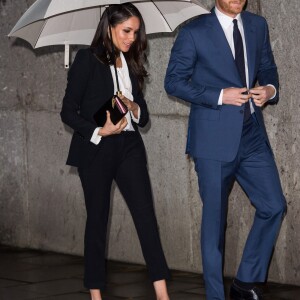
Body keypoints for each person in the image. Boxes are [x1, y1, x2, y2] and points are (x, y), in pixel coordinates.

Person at [164, 0, 286, 299]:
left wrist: (269, 90)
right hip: (212, 140)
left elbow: (268, 67)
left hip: (252, 134)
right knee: (215, 224)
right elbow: (174, 82)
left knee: (274, 206)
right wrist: (219, 95)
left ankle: (245, 282)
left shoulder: (258, 25)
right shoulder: (193, 32)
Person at [60, 3, 170, 300]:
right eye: (126, 31)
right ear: (110, 27)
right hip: (96, 148)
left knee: (146, 216)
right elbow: (68, 112)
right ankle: (95, 293)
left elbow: (143, 116)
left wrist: (134, 106)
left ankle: (162, 292)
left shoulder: (131, 62)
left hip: (130, 146)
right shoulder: (86, 59)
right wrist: (99, 130)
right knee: (98, 218)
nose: (132, 37)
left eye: (135, 32)